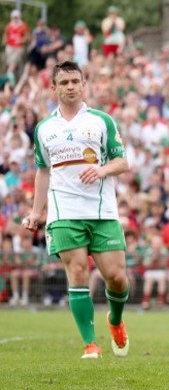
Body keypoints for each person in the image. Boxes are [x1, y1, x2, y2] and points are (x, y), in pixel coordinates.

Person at [22, 61, 130, 359]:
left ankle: (116, 320)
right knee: (78, 271)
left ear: (84, 85)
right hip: (64, 212)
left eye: (75, 81)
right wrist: (35, 212)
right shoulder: (44, 129)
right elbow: (43, 172)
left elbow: (123, 162)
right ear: (53, 87)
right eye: (64, 82)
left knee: (116, 277)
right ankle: (90, 344)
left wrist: (101, 170)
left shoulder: (101, 121)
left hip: (102, 212)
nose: (70, 87)